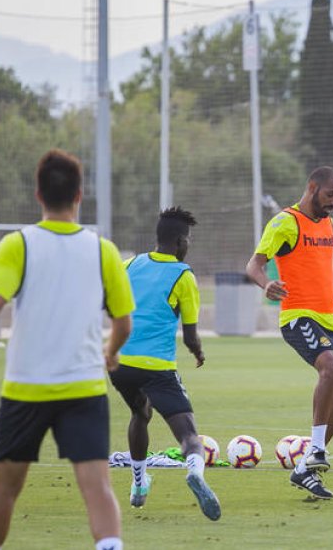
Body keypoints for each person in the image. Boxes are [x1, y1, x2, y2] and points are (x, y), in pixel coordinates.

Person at [0, 149, 133, 550]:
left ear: (38, 195)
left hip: (25, 389)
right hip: (83, 389)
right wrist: (110, 352)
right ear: (80, 196)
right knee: (98, 490)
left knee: (3, 491)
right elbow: (124, 322)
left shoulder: (17, 245)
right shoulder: (103, 250)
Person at [245, 166, 333, 501]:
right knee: (331, 369)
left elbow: (319, 270)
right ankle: (317, 451)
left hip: (330, 318)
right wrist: (267, 284)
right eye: (330, 194)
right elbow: (254, 265)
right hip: (297, 316)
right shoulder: (284, 222)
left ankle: (304, 469)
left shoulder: (328, 224)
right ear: (312, 187)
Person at [110, 206, 220, 521]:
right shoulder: (183, 275)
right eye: (189, 241)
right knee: (188, 435)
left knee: (140, 413)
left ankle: (139, 484)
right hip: (156, 368)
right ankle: (196, 473)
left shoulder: (128, 264)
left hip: (120, 364)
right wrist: (198, 353)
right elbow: (189, 335)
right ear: (180, 241)